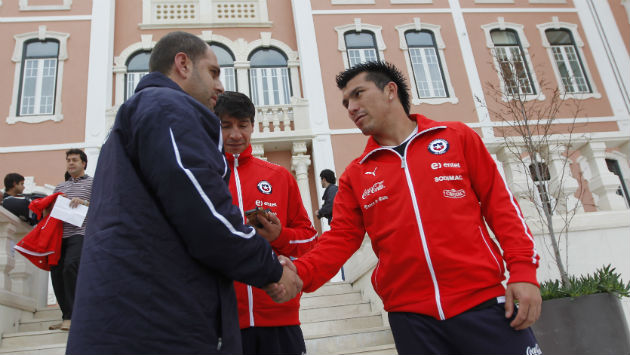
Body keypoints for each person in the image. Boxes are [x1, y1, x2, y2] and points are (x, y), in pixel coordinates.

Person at [276, 62, 543, 355]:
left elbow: (501, 206)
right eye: (345, 102)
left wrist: (523, 271)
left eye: (358, 94)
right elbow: (341, 237)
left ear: (390, 90)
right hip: (412, 321)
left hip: (482, 304)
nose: (351, 107)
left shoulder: (456, 138)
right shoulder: (356, 174)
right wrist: (301, 273)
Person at [65, 31, 302, 354]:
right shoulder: (167, 107)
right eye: (214, 72)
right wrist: (272, 270)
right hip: (159, 323)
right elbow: (205, 212)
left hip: (129, 317)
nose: (220, 86)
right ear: (183, 64)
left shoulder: (134, 119)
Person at [215, 91, 318, 355]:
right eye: (225, 126)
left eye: (242, 125)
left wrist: (279, 236)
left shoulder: (280, 177)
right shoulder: (205, 179)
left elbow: (310, 240)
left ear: (253, 125)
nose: (235, 134)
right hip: (222, 323)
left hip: (280, 317)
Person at [47, 149, 93, 331]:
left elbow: (104, 204)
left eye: (75, 160)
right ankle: (67, 316)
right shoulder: (60, 187)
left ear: (84, 163)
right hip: (59, 235)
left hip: (80, 232)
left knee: (70, 267)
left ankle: (76, 315)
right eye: (68, 160)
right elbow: (50, 209)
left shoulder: (93, 183)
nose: (71, 163)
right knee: (56, 272)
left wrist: (84, 203)